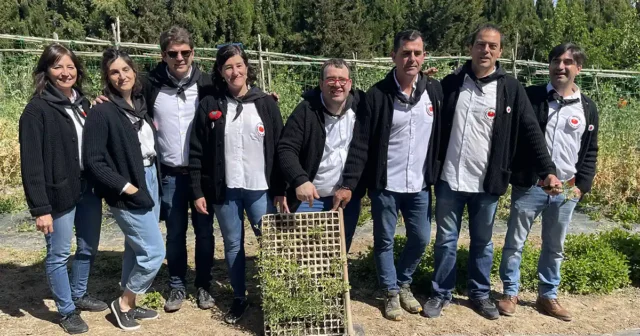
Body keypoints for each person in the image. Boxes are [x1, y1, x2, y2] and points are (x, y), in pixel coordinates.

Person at [423, 24, 561, 321]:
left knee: (483, 242)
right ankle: (441, 292)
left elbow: (531, 131)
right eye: (480, 44)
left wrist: (547, 170)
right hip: (449, 179)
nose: (485, 50)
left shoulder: (510, 88)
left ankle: (479, 294)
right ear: (471, 47)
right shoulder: (451, 83)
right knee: (446, 239)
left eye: (492, 46)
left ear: (500, 52)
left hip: (487, 183)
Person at [497, 43, 598, 321]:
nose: (560, 67)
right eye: (555, 61)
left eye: (567, 62)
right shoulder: (531, 97)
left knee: (555, 246)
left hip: (567, 188)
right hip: (531, 185)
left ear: (579, 68)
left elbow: (590, 151)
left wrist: (581, 186)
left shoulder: (587, 107)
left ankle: (548, 296)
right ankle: (510, 292)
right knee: (515, 241)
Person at [189, 44, 287, 324]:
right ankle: (239, 298)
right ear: (220, 71)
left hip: (259, 189)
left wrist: (280, 190)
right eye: (228, 67)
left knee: (270, 243)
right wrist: (198, 191)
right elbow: (197, 150)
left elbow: (281, 149)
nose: (235, 71)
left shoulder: (266, 104)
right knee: (233, 244)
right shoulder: (210, 105)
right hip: (225, 190)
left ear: (247, 67)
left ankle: (275, 295)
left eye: (239, 65)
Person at [356, 29, 444, 321]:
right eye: (406, 53)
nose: (412, 58)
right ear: (394, 56)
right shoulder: (378, 95)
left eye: (417, 53)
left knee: (420, 237)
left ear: (424, 56)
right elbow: (362, 141)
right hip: (386, 185)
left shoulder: (433, 91)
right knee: (385, 240)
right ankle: (390, 292)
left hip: (418, 184)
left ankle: (404, 281)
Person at [19, 43, 106, 334]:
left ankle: (79, 294)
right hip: (58, 193)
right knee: (58, 254)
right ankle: (67, 310)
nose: (65, 72)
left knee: (88, 246)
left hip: (87, 189)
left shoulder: (83, 103)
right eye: (58, 66)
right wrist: (40, 209)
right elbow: (31, 165)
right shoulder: (36, 110)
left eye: (70, 66)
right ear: (46, 71)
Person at [84, 47, 165, 331]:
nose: (122, 76)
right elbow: (94, 162)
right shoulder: (102, 111)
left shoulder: (140, 104)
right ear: (107, 78)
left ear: (134, 72)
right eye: (114, 72)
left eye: (126, 69)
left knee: (135, 246)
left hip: (150, 177)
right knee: (154, 252)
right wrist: (128, 188)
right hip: (128, 188)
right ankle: (124, 303)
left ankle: (133, 299)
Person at [142, 26, 216, 313]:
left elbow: (238, 90)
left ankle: (204, 285)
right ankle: (176, 285)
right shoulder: (151, 86)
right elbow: (125, 104)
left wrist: (264, 97)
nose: (179, 58)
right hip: (170, 174)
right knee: (174, 233)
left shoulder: (207, 84)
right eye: (173, 53)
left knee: (205, 232)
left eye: (185, 52)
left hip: (202, 174)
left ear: (193, 53)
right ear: (163, 55)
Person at [278, 58, 367, 252]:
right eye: (331, 80)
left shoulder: (361, 109)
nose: (337, 85)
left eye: (342, 80)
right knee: (306, 252)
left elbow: (363, 150)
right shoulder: (306, 111)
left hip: (345, 197)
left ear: (350, 84)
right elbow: (286, 148)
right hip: (312, 198)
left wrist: (349, 186)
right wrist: (300, 180)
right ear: (321, 84)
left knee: (339, 251)